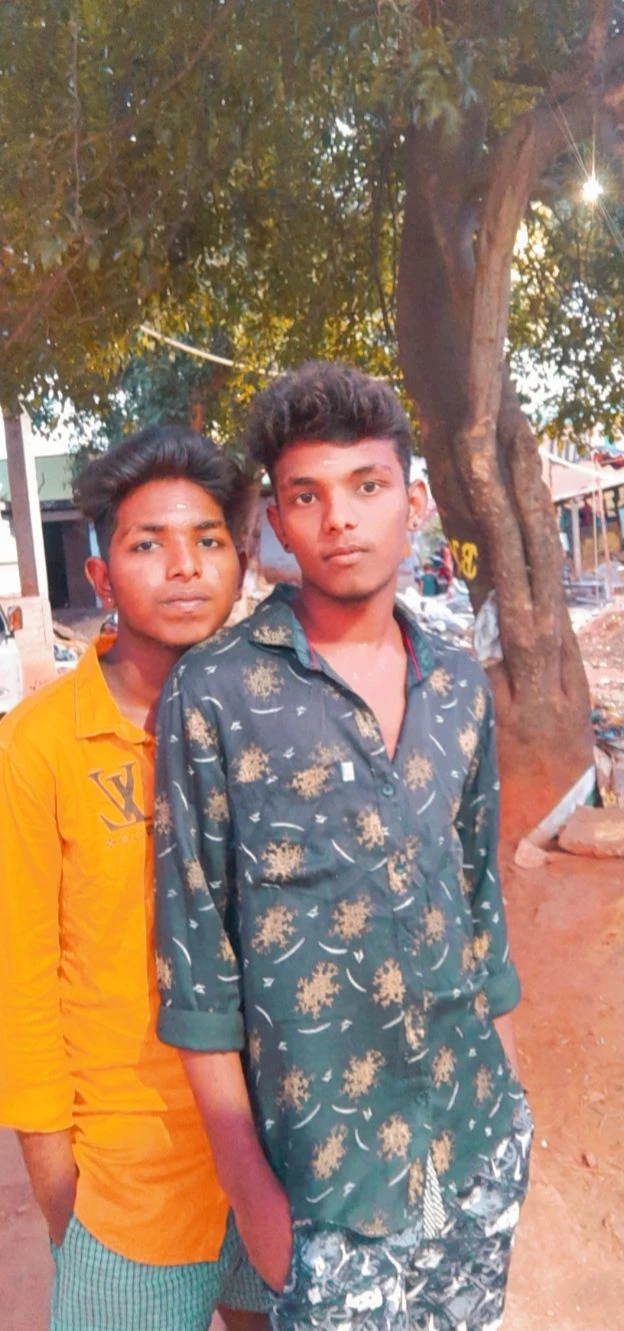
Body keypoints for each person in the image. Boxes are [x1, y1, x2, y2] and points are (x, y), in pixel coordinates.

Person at [154, 365, 533, 1331]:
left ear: (413, 501)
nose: (341, 519)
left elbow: (479, 901)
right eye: (307, 495)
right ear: (279, 522)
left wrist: (511, 1115)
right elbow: (197, 970)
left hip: (474, 1144)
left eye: (367, 486)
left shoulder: (457, 684)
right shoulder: (214, 697)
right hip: (327, 1196)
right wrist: (256, 1203)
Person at [0, 427, 269, 1331]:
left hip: (276, 1152)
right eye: (148, 543)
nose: (184, 566)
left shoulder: (275, 723)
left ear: (241, 561)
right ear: (102, 575)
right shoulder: (38, 748)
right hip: (131, 1188)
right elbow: (22, 988)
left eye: (207, 539)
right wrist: (61, 1198)